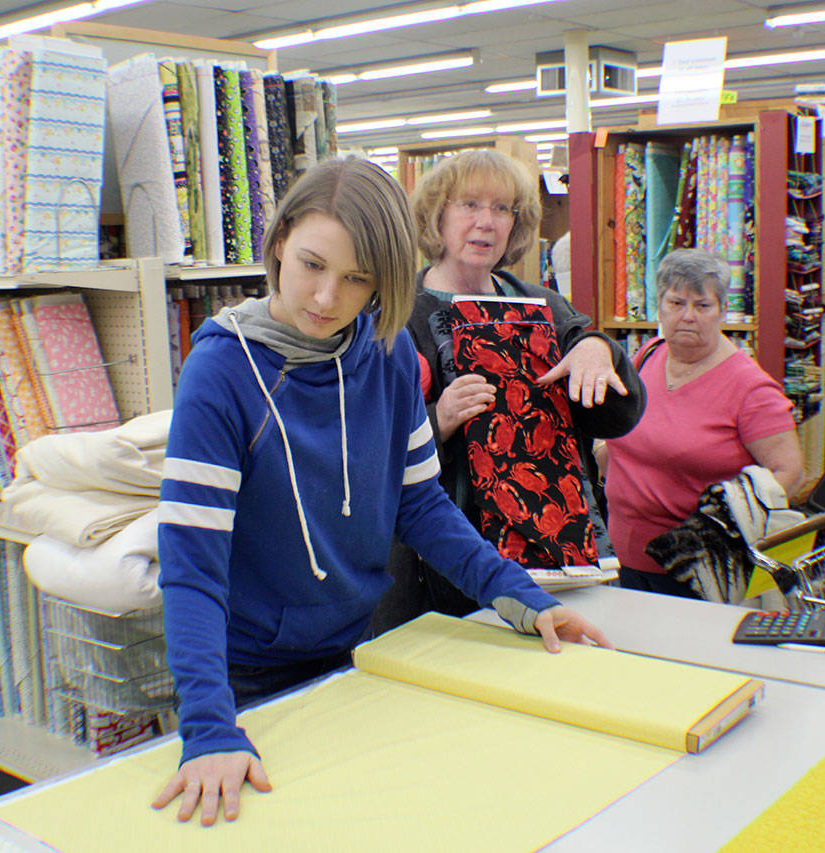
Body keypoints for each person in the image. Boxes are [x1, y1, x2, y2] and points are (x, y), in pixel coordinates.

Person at [151, 157, 611, 827]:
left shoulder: (389, 353)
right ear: (279, 242)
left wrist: (524, 598)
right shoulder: (220, 372)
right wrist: (209, 726)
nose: (326, 298)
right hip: (241, 676)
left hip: (354, 654)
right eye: (311, 264)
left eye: (357, 278)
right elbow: (190, 564)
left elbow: (422, 505)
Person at [374, 150, 645, 630]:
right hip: (444, 570)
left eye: (502, 209)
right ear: (437, 216)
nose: (487, 222)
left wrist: (598, 351)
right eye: (470, 205)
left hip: (555, 554)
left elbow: (618, 417)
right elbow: (367, 451)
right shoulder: (397, 316)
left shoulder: (542, 305)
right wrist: (437, 420)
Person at [598, 249, 804, 597]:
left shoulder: (750, 388)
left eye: (702, 306)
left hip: (696, 575)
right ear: (659, 306)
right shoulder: (647, 356)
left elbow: (791, 475)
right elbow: (621, 438)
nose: (687, 316)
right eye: (676, 303)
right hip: (621, 560)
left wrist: (722, 533)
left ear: (722, 310)